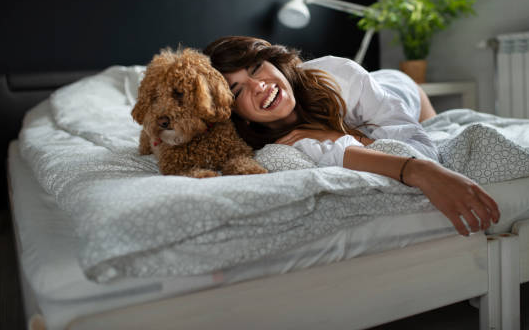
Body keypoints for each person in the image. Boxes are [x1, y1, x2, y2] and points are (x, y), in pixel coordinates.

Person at [203, 36, 500, 236]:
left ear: (275, 62)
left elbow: (422, 151)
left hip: (403, 90)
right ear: (234, 112)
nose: (258, 86)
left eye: (257, 68)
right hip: (372, 109)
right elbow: (335, 153)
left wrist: (335, 133)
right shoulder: (280, 144)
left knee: (434, 128)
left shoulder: (338, 75)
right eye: (238, 90)